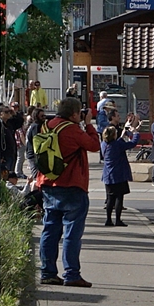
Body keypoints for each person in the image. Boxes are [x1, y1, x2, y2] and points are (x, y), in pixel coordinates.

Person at [37, 97, 101, 287]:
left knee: (49, 230)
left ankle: (47, 272)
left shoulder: (47, 126)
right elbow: (94, 145)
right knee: (72, 232)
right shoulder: (72, 129)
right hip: (72, 185)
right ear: (74, 114)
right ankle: (71, 274)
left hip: (49, 183)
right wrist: (89, 125)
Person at [99, 115, 141, 226]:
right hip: (118, 174)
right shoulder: (117, 145)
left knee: (110, 198)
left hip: (108, 174)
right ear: (113, 136)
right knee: (119, 197)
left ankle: (108, 220)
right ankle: (117, 220)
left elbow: (116, 143)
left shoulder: (104, 144)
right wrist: (135, 133)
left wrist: (122, 136)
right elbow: (132, 144)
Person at [0, 104, 25, 186]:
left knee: (10, 174)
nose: (8, 114)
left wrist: (14, 113)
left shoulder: (9, 124)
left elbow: (20, 122)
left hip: (11, 153)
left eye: (9, 112)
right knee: (3, 176)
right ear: (0, 114)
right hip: (3, 155)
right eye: (6, 112)